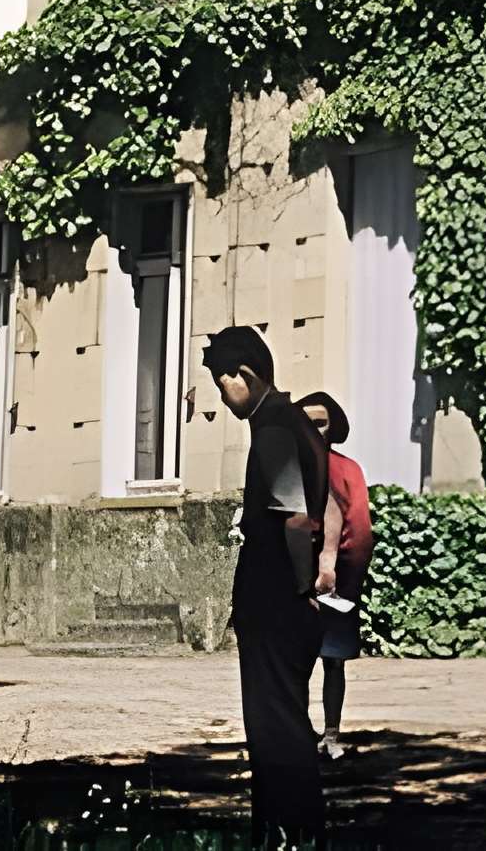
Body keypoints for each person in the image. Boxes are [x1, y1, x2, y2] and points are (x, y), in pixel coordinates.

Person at [205, 325, 334, 836]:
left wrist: (300, 589)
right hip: (286, 603)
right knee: (284, 720)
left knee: (273, 726)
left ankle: (290, 831)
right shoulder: (296, 424)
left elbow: (296, 519)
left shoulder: (276, 428)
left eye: (222, 380)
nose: (220, 392)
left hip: (276, 601)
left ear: (247, 375)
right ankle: (292, 830)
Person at [297, 390, 374, 760]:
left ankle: (330, 732)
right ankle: (296, 729)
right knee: (293, 660)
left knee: (333, 663)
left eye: (321, 423)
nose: (313, 430)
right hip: (293, 580)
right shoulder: (289, 468)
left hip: (335, 582)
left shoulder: (347, 471)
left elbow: (360, 532)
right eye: (306, 423)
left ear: (334, 427)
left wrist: (348, 582)